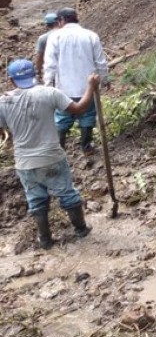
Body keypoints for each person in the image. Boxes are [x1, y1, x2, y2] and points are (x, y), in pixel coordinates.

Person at [0, 59, 99, 249]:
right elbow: (80, 109)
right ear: (35, 76)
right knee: (67, 193)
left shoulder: (3, 101)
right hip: (51, 157)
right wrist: (90, 86)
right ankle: (81, 230)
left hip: (24, 162)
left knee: (36, 200)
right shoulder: (49, 93)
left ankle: (45, 240)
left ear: (12, 80)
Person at [42, 7, 109, 156]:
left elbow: (50, 65)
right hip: (87, 87)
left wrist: (47, 86)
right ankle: (86, 147)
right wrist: (105, 79)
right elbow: (100, 62)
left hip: (63, 88)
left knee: (61, 118)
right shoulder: (91, 36)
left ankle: (59, 150)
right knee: (88, 116)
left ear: (61, 21)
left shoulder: (55, 37)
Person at [34, 12, 59, 77]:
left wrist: (38, 71)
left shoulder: (43, 38)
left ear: (46, 25)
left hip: (52, 70)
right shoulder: (66, 35)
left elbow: (40, 57)